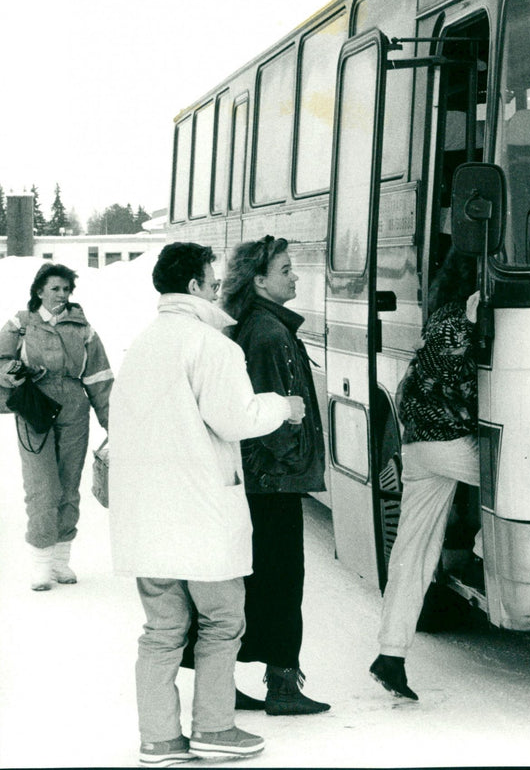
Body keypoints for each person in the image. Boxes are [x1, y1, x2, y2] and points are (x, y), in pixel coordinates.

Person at [108, 242, 305, 766]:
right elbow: (236, 418)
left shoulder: (143, 344)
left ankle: (159, 740)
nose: (220, 290)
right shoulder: (213, 346)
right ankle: (215, 729)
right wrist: (282, 406)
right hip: (200, 516)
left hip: (146, 520)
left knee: (162, 631)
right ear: (194, 287)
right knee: (222, 623)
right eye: (213, 283)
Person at [210, 235, 330, 716]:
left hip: (260, 482)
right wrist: (293, 459)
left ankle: (223, 680)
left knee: (254, 582)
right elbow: (268, 414)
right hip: (273, 482)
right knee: (281, 583)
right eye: (285, 270)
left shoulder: (256, 325)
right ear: (259, 281)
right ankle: (282, 684)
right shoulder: (269, 333)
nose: (295, 276)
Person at [370, 249, 481, 702]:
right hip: (450, 443)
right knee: (523, 490)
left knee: (413, 552)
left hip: (417, 447)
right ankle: (481, 551)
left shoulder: (438, 318)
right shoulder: (459, 319)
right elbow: (453, 375)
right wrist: (475, 328)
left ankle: (390, 654)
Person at [0, 262, 113, 591]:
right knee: (42, 487)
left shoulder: (83, 328)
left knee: (69, 486)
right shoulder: (20, 323)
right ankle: (41, 564)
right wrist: (11, 372)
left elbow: (100, 377)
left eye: (66, 289)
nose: (61, 294)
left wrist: (111, 422)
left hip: (75, 409)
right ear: (39, 291)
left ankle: (61, 561)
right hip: (35, 409)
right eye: (55, 288)